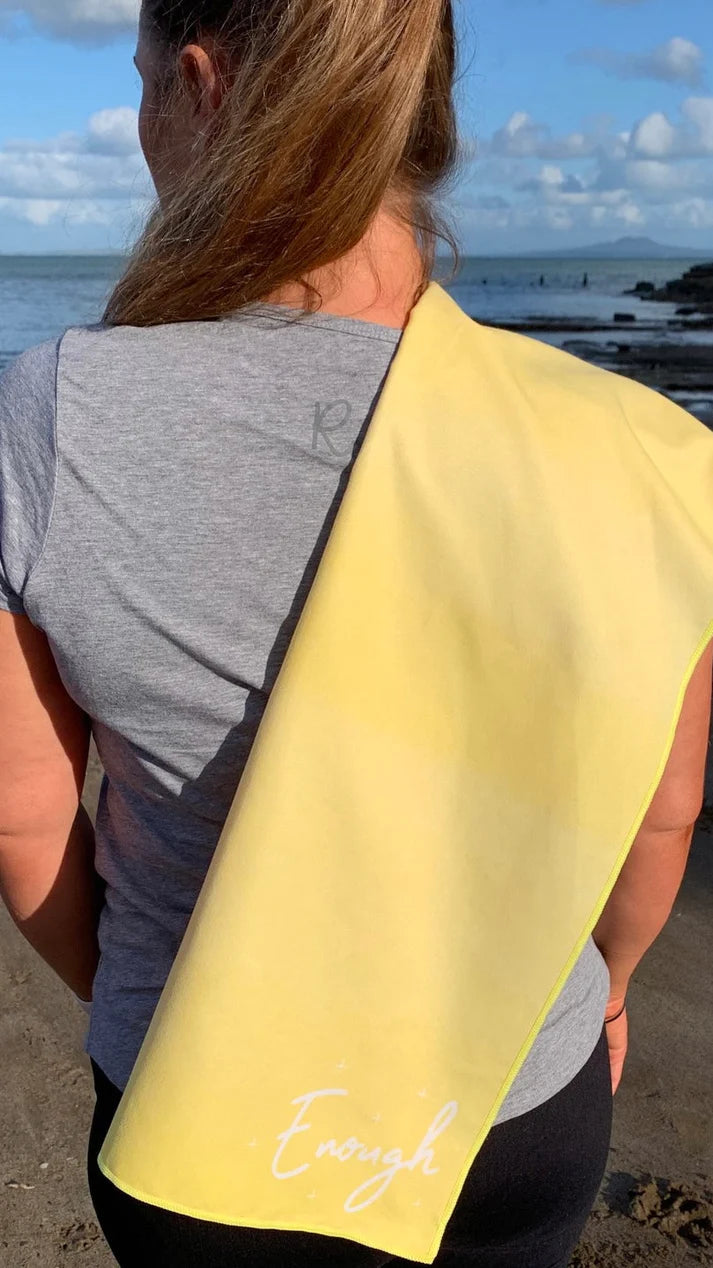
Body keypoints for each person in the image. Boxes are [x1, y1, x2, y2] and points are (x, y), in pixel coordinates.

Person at [0, 2, 710, 1266]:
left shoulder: (48, 417)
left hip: (202, 1108)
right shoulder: (644, 449)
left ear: (200, 88)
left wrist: (151, 998)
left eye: (140, 84)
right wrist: (601, 988)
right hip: (513, 1098)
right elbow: (661, 809)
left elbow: (24, 823)